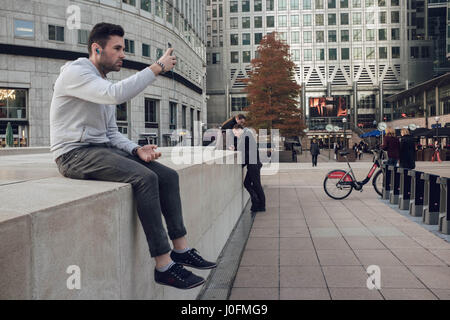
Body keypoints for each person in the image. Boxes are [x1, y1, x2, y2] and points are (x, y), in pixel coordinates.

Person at [49, 23, 216, 290]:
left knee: (168, 175)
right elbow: (115, 96)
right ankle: (164, 265)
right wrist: (157, 67)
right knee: (145, 178)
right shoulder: (76, 73)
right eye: (117, 48)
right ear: (96, 48)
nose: (122, 54)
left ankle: (181, 250)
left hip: (102, 149)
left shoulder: (100, 82)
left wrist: (135, 149)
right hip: (73, 154)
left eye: (123, 49)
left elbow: (112, 132)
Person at [233, 124, 266, 213]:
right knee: (250, 184)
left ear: (239, 129)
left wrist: (241, 164)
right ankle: (257, 203)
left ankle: (259, 204)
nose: (235, 135)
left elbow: (244, 152)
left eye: (235, 132)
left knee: (255, 185)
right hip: (253, 164)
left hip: (253, 165)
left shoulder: (246, 136)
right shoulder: (246, 135)